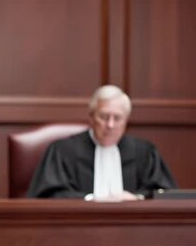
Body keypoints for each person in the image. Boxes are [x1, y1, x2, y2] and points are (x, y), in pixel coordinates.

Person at [27, 85, 176, 201]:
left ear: (126, 121)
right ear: (91, 117)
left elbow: (165, 194)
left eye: (117, 118)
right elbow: (48, 195)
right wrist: (90, 200)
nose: (110, 125)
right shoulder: (63, 151)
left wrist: (136, 198)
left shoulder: (144, 152)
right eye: (104, 117)